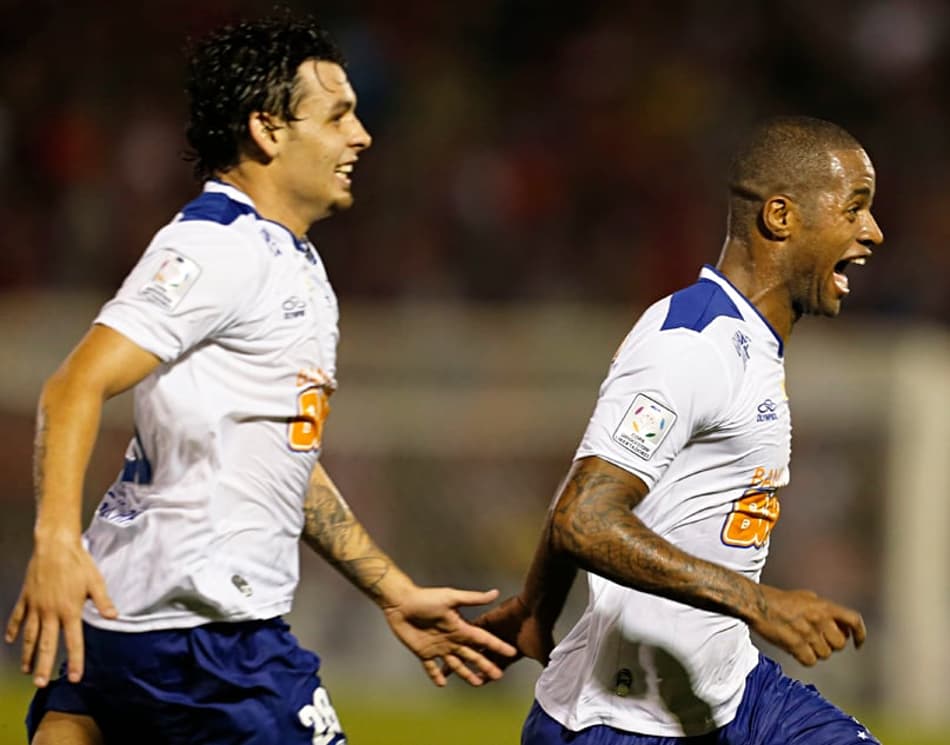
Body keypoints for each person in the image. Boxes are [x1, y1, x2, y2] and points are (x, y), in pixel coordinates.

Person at [4, 15, 515, 745]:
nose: (361, 136)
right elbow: (73, 385)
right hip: (209, 641)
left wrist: (391, 589)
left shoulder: (289, 264)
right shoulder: (217, 246)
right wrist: (55, 542)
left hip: (139, 625)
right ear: (268, 130)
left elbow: (283, 464)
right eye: (338, 115)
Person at [474, 116, 884, 744]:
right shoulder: (691, 345)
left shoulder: (748, 343)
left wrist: (538, 603)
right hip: (624, 720)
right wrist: (761, 604)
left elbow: (588, 480)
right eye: (855, 208)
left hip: (735, 692)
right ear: (780, 217)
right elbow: (585, 516)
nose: (872, 232)